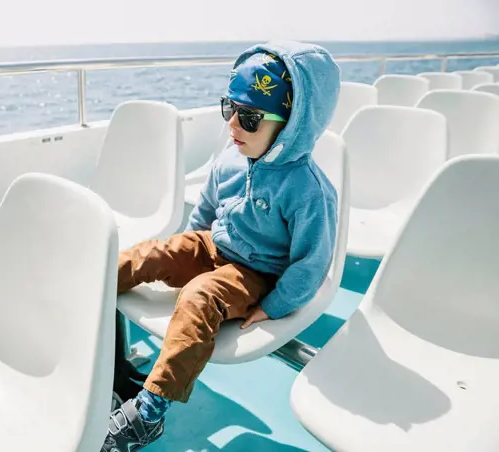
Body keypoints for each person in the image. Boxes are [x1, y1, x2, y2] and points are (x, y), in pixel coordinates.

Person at [101, 40, 341, 452]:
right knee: (150, 254)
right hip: (215, 246)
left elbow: (312, 263)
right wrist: (186, 253)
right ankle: (82, 303)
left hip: (257, 272)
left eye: (249, 117)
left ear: (291, 124)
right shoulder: (230, 158)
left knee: (198, 298)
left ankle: (149, 413)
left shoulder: (308, 190)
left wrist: (276, 305)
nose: (233, 126)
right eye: (230, 109)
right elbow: (209, 208)